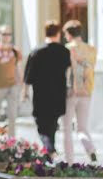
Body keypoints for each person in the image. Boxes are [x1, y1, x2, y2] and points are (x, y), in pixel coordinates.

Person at [23, 20, 71, 154]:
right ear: (58, 33)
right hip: (58, 93)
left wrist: (25, 92)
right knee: (53, 123)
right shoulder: (64, 52)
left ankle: (49, 147)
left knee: (42, 125)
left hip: (41, 94)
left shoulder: (36, 52)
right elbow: (68, 72)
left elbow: (28, 76)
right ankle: (50, 147)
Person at [62, 20, 98, 162]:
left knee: (66, 129)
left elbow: (65, 71)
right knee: (82, 127)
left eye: (65, 34)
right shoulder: (91, 49)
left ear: (69, 34)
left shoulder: (67, 48)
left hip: (70, 92)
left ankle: (69, 161)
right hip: (87, 91)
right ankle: (90, 149)